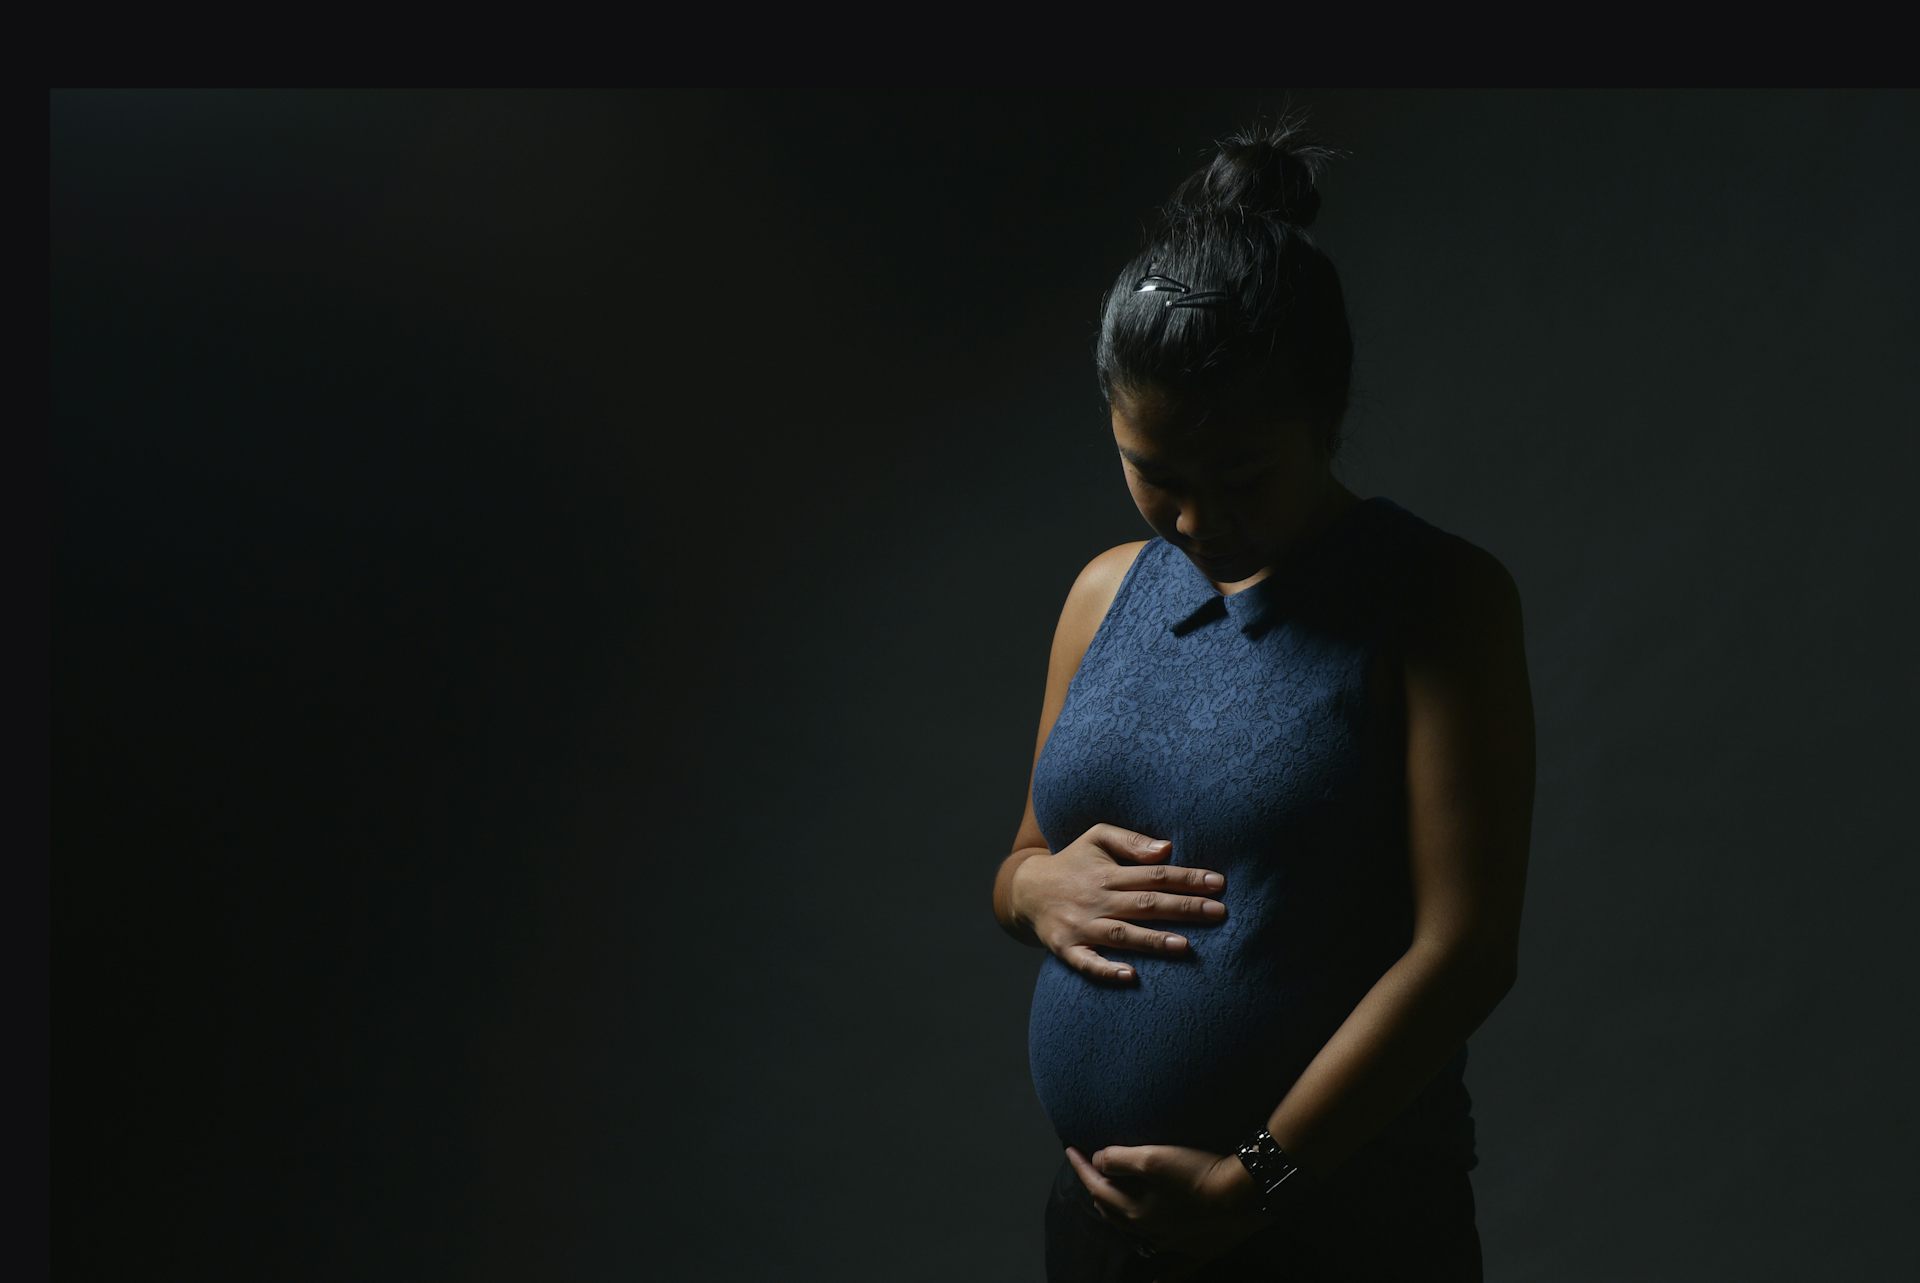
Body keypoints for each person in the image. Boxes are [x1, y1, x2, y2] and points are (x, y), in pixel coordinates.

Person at [989, 111, 1536, 1282]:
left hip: (1334, 1223)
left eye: (1241, 474)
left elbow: (1466, 949)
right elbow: (1025, 857)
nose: (1194, 517)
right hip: (1105, 1229)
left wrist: (1255, 1179)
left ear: (1322, 419)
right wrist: (1033, 889)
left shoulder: (1436, 599)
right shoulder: (1102, 596)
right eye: (1154, 473)